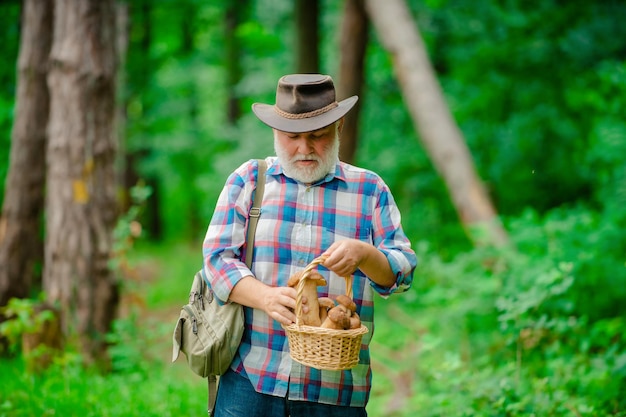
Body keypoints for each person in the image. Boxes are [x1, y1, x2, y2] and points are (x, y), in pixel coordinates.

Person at [202, 73, 417, 417]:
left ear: (338, 129)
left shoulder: (369, 190)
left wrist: (365, 254)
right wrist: (266, 297)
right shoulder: (249, 180)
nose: (304, 149)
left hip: (335, 391)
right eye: (292, 137)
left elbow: (403, 271)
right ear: (275, 133)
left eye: (317, 136)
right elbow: (216, 260)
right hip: (250, 379)